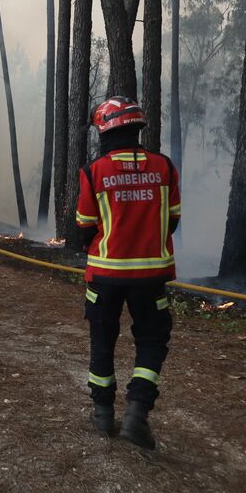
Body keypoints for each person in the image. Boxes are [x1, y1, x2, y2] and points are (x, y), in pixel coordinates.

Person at [75, 97, 181, 450]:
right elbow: (174, 219)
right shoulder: (164, 167)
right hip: (151, 275)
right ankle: (137, 411)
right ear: (137, 128)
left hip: (104, 274)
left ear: (104, 131)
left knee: (102, 340)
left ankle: (103, 414)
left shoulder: (94, 171)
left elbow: (85, 226)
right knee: (151, 341)